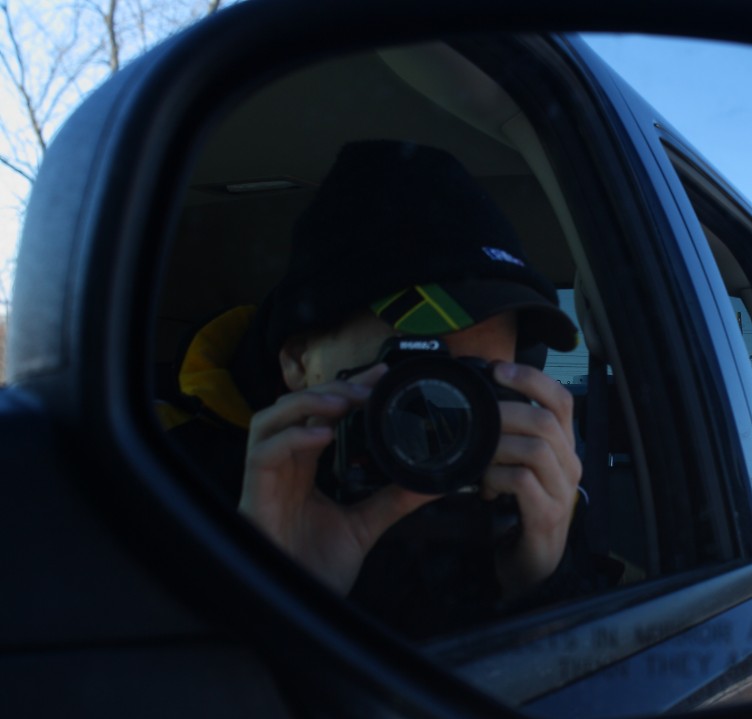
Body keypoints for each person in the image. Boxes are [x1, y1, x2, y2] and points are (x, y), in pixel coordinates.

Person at [161, 140, 604, 637]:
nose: (449, 416)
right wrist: (264, 589)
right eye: (417, 370)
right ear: (299, 360)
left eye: (482, 380)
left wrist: (542, 579)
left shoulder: (512, 495)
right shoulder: (159, 480)